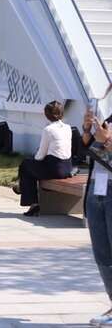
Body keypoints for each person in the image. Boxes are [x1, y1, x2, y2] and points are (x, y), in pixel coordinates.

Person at [12, 101, 73, 216]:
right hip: (67, 168)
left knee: (26, 164)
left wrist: (34, 159)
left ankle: (31, 200)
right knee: (30, 166)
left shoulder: (48, 129)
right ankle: (21, 186)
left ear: (47, 114)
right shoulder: (68, 127)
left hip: (55, 169)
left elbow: (40, 156)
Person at [79, 113, 112, 326]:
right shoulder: (108, 118)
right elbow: (85, 150)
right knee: (102, 254)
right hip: (96, 187)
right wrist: (86, 129)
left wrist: (106, 142)